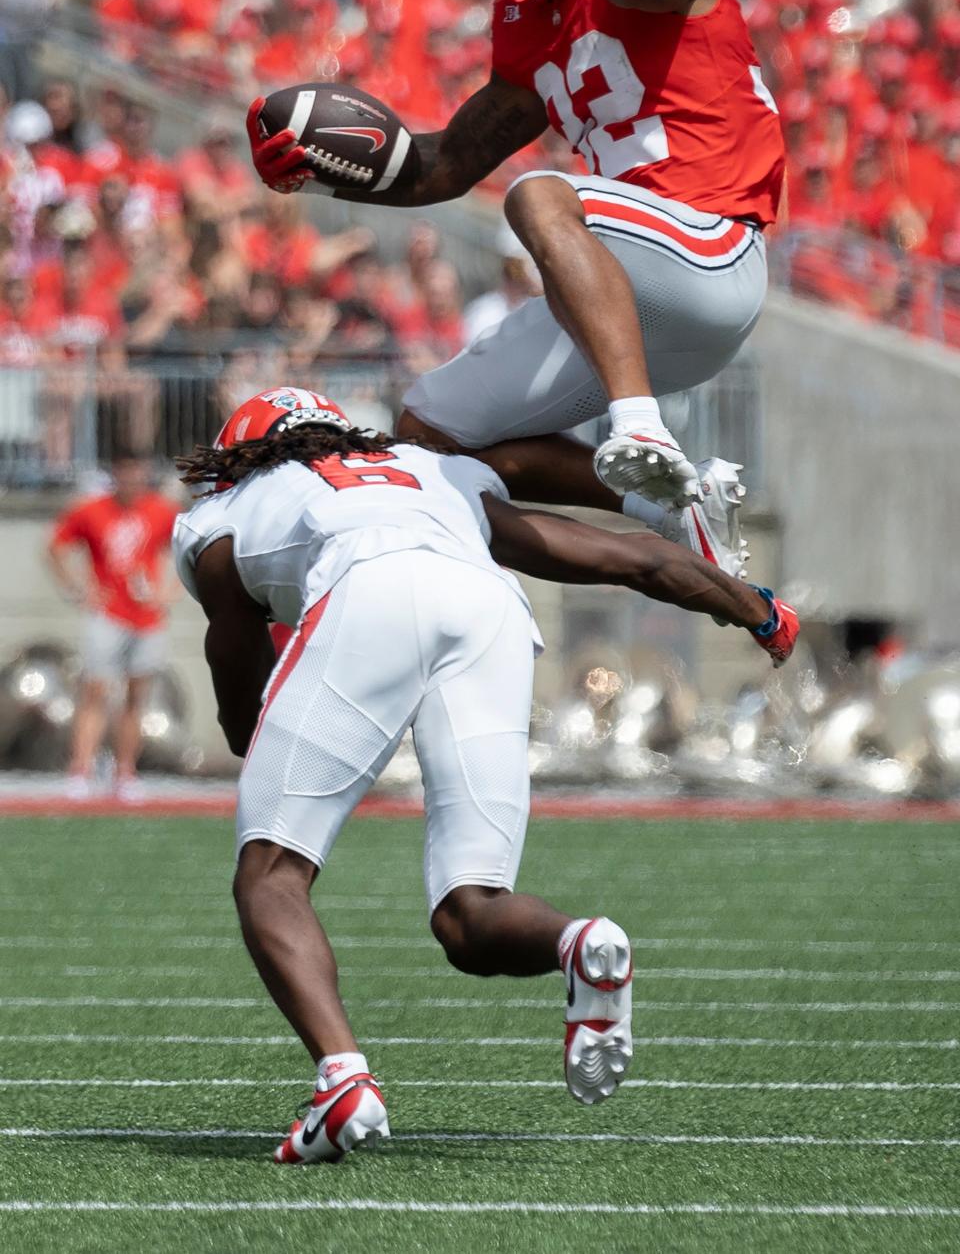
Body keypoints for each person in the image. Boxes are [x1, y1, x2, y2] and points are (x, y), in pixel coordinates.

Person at [173, 386, 796, 1163]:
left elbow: (236, 667)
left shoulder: (222, 510)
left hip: (367, 590)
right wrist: (757, 609)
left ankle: (342, 1081)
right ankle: (578, 941)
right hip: (489, 609)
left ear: (238, 457)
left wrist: (254, 739)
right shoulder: (429, 469)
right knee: (470, 914)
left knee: (270, 872)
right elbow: (618, 556)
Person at [248, 0, 785, 578]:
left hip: (709, 248)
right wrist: (321, 170)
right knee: (430, 430)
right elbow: (443, 164)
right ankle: (674, 511)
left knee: (540, 195)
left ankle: (639, 427)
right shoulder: (534, 19)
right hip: (617, 290)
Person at [47, 451, 180, 799]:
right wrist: (78, 588)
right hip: (107, 614)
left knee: (136, 696)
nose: (132, 478)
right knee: (95, 690)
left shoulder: (159, 510)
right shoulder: (93, 509)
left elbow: (186, 551)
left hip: (146, 617)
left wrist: (168, 593)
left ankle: (125, 772)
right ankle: (81, 769)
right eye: (126, 470)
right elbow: (57, 546)